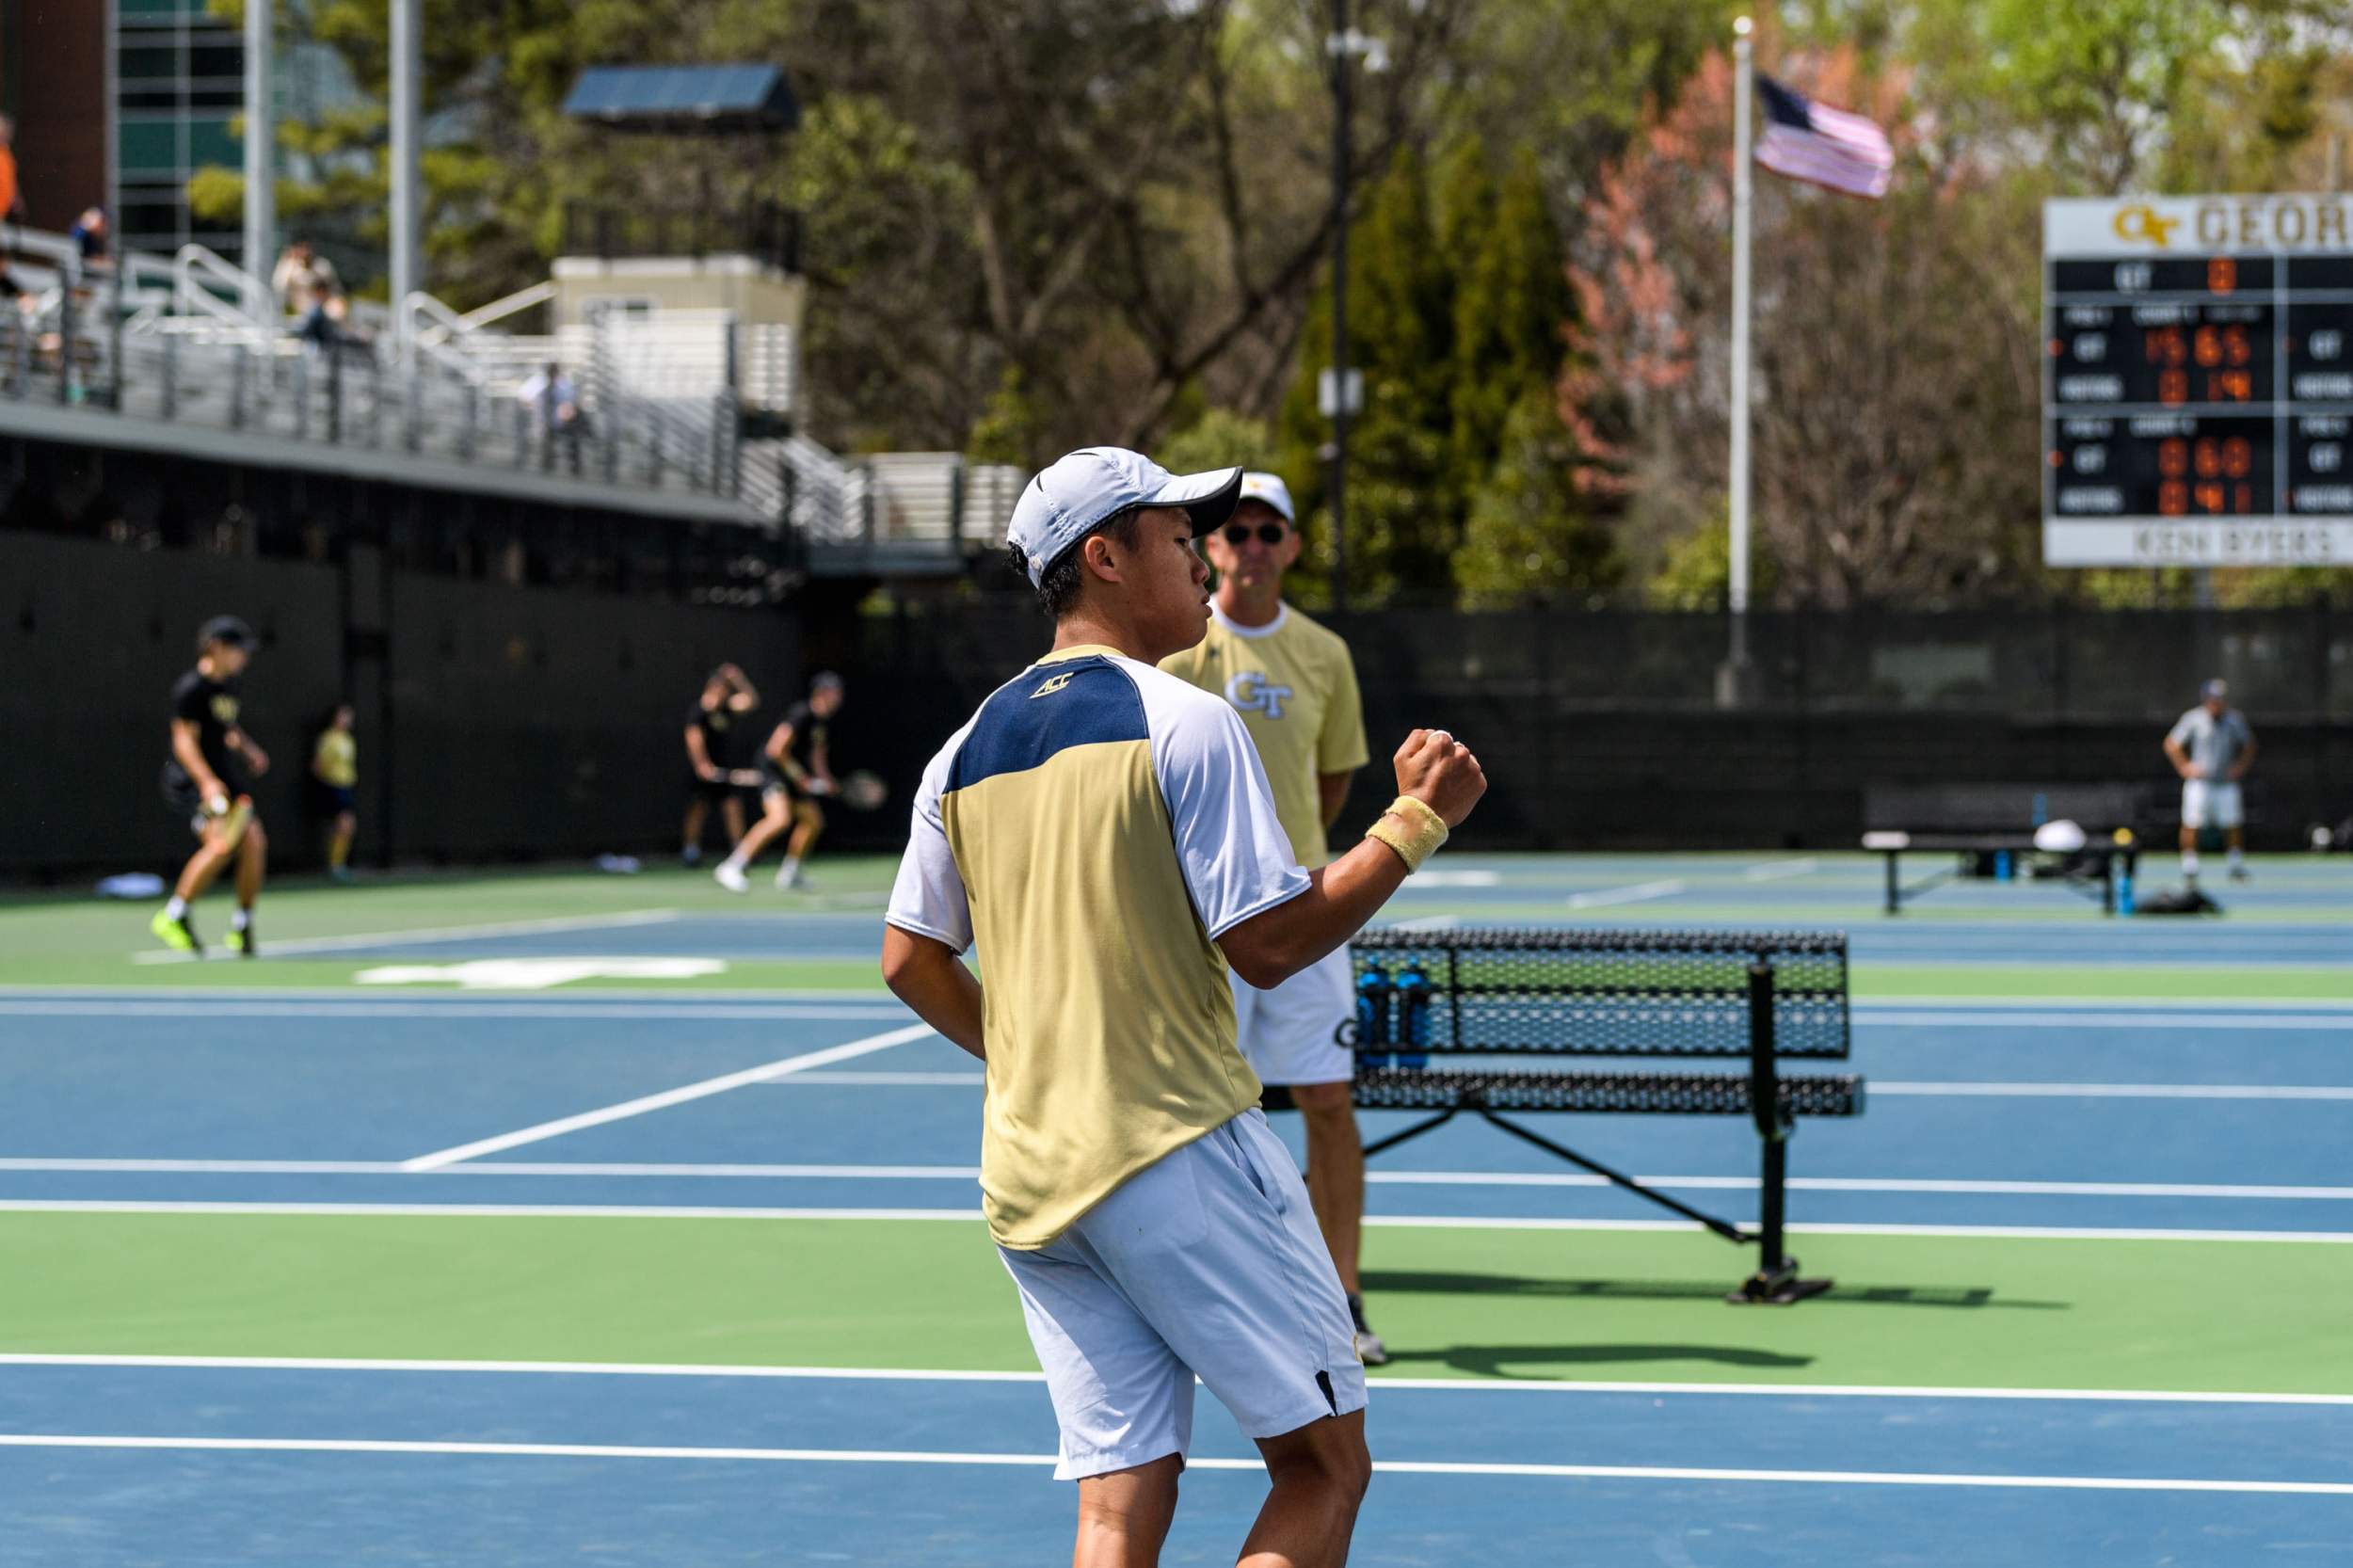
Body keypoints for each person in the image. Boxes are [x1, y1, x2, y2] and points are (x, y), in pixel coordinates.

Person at [882, 446, 1485, 1568]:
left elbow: (909, 958)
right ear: (1104, 559)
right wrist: (1415, 822)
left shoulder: (963, 750)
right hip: (1177, 1150)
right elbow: (1271, 944)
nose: (1202, 557)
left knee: (1117, 1502)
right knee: (1322, 1468)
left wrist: (1022, 1058)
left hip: (1031, 1175)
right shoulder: (1185, 719)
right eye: (1175, 536)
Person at [1158, 471, 1385, 1364]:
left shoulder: (1324, 652)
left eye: (1268, 531)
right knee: (1201, 1110)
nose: (1251, 546)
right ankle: (1217, 1300)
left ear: (1290, 545)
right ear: (1210, 546)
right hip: (1200, 918)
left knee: (1328, 1100)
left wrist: (1287, 860)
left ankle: (1345, 1298)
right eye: (1236, 531)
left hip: (1305, 907)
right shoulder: (1178, 651)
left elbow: (1330, 783)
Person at [152, 616, 271, 956]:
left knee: (253, 841)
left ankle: (242, 924)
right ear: (215, 648)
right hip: (192, 781)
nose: (243, 657)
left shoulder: (229, 685)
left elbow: (226, 726)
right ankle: (174, 915)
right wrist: (207, 783)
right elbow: (183, 741)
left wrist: (248, 749)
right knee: (222, 844)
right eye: (238, 650)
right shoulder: (191, 689)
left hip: (224, 777)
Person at [713, 672, 842, 893]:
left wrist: (826, 779)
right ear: (820, 693)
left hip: (792, 775)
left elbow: (816, 756)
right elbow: (776, 749)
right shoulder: (801, 714)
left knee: (813, 821)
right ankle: (732, 866)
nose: (838, 697)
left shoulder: (821, 722)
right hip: (773, 770)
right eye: (834, 692)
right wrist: (800, 778)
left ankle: (790, 874)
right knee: (780, 818)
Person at [2165, 677, 2257, 884]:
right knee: (2191, 823)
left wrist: (2240, 767)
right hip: (2200, 784)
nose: (2217, 703)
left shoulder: (2234, 720)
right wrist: (2185, 766)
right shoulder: (2193, 718)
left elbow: (2250, 744)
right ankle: (2190, 867)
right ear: (2205, 699)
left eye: (2220, 698)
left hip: (2226, 784)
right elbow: (2171, 743)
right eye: (2213, 698)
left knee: (2232, 824)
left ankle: (2235, 865)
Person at [680, 664, 759, 865]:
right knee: (698, 808)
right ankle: (690, 850)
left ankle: (739, 853)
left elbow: (751, 700)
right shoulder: (699, 711)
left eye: (726, 689)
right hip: (703, 770)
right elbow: (693, 738)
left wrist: (738, 678)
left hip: (723, 768)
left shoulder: (727, 708)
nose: (724, 692)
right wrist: (702, 765)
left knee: (732, 805)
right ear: (711, 687)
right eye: (721, 688)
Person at [312, 703, 359, 883]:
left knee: (345, 826)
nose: (346, 720)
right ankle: (335, 866)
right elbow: (318, 765)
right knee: (344, 824)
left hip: (346, 787)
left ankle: (337, 864)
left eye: (348, 716)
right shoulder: (328, 738)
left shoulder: (348, 739)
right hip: (332, 787)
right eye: (343, 715)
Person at [271, 239, 341, 348]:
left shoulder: (321, 267)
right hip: (301, 311)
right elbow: (279, 286)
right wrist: (289, 262)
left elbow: (334, 291)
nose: (304, 252)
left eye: (306, 248)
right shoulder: (291, 268)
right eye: (300, 248)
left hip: (322, 311)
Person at [517, 361, 585, 472]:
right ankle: (546, 463)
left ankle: (575, 467)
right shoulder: (539, 382)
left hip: (561, 421)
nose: (552, 375)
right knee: (545, 433)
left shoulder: (564, 385)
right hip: (540, 420)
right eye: (551, 372)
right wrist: (533, 406)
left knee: (574, 433)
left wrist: (565, 414)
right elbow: (523, 396)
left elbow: (570, 404)